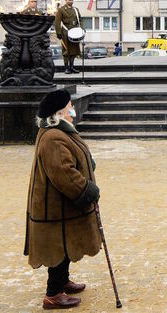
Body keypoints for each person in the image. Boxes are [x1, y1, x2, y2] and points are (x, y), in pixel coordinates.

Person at [25, 88, 101, 310]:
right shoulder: (53, 138)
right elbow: (63, 174)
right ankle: (53, 293)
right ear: (58, 113)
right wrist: (87, 190)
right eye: (69, 107)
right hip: (55, 208)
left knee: (65, 246)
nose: (72, 110)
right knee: (56, 248)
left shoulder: (60, 132)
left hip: (61, 207)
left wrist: (87, 163)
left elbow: (72, 158)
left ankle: (62, 282)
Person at [54, 0, 82, 74]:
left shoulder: (76, 10)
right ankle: (66, 68)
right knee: (66, 50)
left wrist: (81, 29)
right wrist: (58, 32)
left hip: (75, 32)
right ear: (66, 1)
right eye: (69, 0)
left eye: (72, 0)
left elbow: (80, 20)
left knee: (74, 50)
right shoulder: (61, 10)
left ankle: (72, 66)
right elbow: (57, 22)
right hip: (65, 32)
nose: (71, 1)